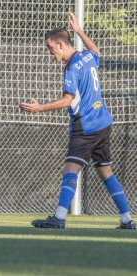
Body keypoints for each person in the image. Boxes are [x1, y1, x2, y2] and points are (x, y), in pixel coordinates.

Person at [20, 12, 135, 229]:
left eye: (50, 47)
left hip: (86, 127)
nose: (49, 51)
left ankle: (60, 218)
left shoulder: (72, 67)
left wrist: (39, 108)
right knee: (106, 171)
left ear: (61, 44)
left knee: (70, 169)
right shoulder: (87, 57)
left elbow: (67, 100)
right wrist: (80, 32)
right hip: (104, 123)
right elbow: (97, 51)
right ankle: (127, 219)